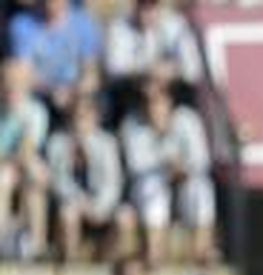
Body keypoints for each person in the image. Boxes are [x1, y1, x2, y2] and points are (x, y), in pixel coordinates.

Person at [120, 78, 215, 264]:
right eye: (148, 101)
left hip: (184, 179)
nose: (153, 107)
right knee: (151, 187)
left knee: (201, 187)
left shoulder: (187, 119)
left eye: (158, 101)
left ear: (169, 101)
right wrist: (166, 166)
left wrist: (182, 168)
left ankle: (202, 250)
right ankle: (154, 252)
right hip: (150, 184)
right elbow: (135, 164)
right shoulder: (132, 124)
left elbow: (201, 159)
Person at [47, 96, 133, 262]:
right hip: (74, 203)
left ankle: (104, 261)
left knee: (125, 217)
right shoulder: (57, 142)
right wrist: (81, 203)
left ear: (95, 117)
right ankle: (71, 261)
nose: (80, 121)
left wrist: (98, 207)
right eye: (76, 116)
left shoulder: (107, 143)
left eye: (85, 116)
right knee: (68, 214)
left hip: (102, 205)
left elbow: (113, 182)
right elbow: (59, 181)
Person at [7, 0, 102, 118]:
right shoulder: (22, 24)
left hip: (76, 94)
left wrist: (75, 92)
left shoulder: (84, 23)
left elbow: (91, 72)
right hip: (39, 95)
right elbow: (22, 74)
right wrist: (53, 91)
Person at [0, 57, 49, 259]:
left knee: (35, 177)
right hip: (5, 167)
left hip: (22, 164)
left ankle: (37, 245)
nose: (12, 89)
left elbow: (27, 149)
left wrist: (13, 162)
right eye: (7, 84)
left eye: (17, 85)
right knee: (2, 178)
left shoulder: (36, 111)